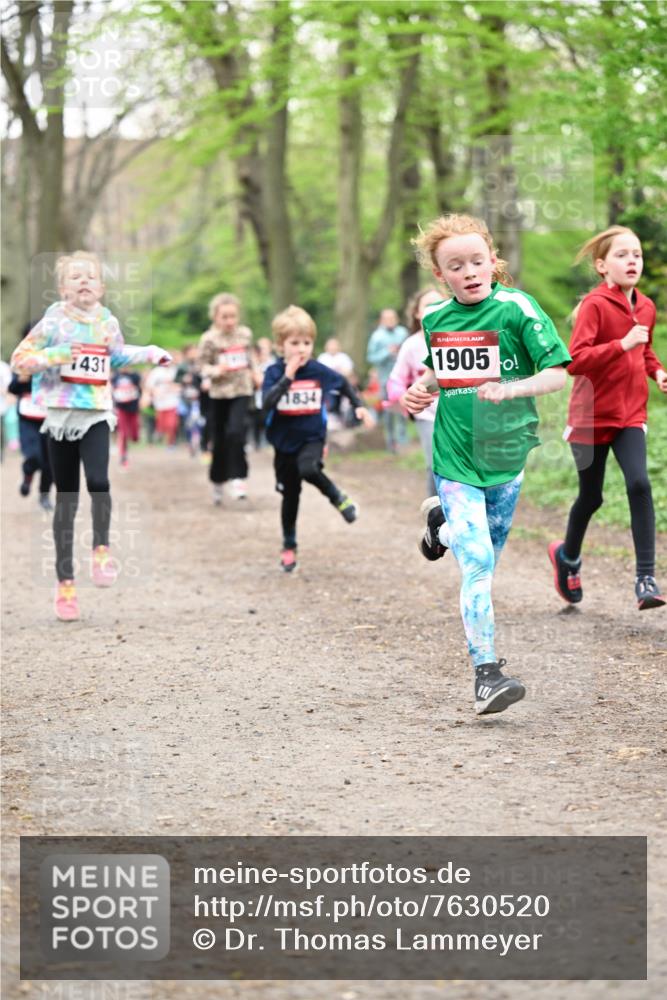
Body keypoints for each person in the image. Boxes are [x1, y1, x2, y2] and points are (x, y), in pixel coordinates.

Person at [403, 213, 570, 715]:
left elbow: (557, 373)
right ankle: (487, 674)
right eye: (456, 265)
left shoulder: (518, 308)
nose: (470, 271)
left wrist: (510, 389)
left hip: (507, 451)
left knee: (486, 556)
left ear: (493, 261)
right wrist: (421, 388)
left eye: (477, 260)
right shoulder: (436, 320)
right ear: (441, 275)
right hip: (455, 452)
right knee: (477, 565)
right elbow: (444, 371)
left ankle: (442, 528)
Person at [10, 250, 171, 621]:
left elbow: (114, 356)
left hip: (96, 412)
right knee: (67, 500)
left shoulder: (107, 322)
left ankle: (101, 549)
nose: (84, 281)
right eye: (75, 277)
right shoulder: (53, 322)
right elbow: (21, 359)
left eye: (91, 276)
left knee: (98, 479)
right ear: (63, 289)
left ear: (101, 286)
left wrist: (148, 352)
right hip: (61, 416)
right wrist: (59, 354)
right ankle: (65, 583)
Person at [548, 225, 666, 611]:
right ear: (602, 265)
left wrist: (658, 371)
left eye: (637, 254)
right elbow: (575, 361)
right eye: (622, 255)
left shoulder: (645, 306)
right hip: (590, 417)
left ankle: (645, 578)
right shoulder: (595, 306)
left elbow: (643, 352)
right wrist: (621, 344)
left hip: (630, 414)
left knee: (639, 484)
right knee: (591, 496)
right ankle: (567, 556)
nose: (632, 260)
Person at [262, 305, 373, 573]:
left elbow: (344, 383)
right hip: (283, 442)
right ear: (280, 345)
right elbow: (266, 403)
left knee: (309, 468)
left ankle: (338, 497)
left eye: (307, 342)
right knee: (290, 495)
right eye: (294, 343)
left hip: (312, 436)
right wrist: (287, 378)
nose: (301, 349)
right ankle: (289, 545)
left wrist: (358, 404)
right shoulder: (274, 373)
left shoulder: (317, 370)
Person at [197, 293, 258, 503]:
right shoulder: (208, 339)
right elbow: (201, 366)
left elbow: (251, 359)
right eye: (224, 317)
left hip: (241, 390)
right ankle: (217, 481)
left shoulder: (245, 335)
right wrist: (216, 370)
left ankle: (239, 478)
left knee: (236, 432)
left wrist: (256, 373)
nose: (229, 321)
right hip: (219, 394)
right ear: (215, 317)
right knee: (220, 439)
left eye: (233, 316)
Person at [386, 287, 443, 496]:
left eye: (440, 303)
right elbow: (395, 380)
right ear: (417, 313)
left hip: (459, 413)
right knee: (436, 464)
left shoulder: (457, 338)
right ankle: (435, 519)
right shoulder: (411, 345)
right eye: (428, 305)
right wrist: (404, 397)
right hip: (427, 414)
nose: (435, 309)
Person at [9, 368, 54, 508]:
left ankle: (44, 495)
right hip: (28, 420)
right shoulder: (25, 361)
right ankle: (27, 477)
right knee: (33, 455)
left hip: (50, 419)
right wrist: (20, 379)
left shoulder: (55, 360)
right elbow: (12, 388)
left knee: (50, 462)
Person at [366, 308, 408, 451]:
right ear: (382, 320)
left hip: (402, 378)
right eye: (387, 318)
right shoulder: (377, 336)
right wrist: (387, 352)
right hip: (385, 378)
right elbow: (371, 358)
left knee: (403, 406)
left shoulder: (403, 333)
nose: (390, 321)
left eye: (392, 318)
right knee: (389, 410)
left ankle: (403, 441)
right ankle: (391, 441)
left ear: (396, 319)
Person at [111, 368, 142, 468]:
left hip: (133, 407)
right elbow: (111, 389)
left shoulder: (135, 376)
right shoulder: (115, 377)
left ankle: (134, 438)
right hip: (121, 408)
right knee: (123, 433)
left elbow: (142, 387)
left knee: (134, 435)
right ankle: (123, 456)